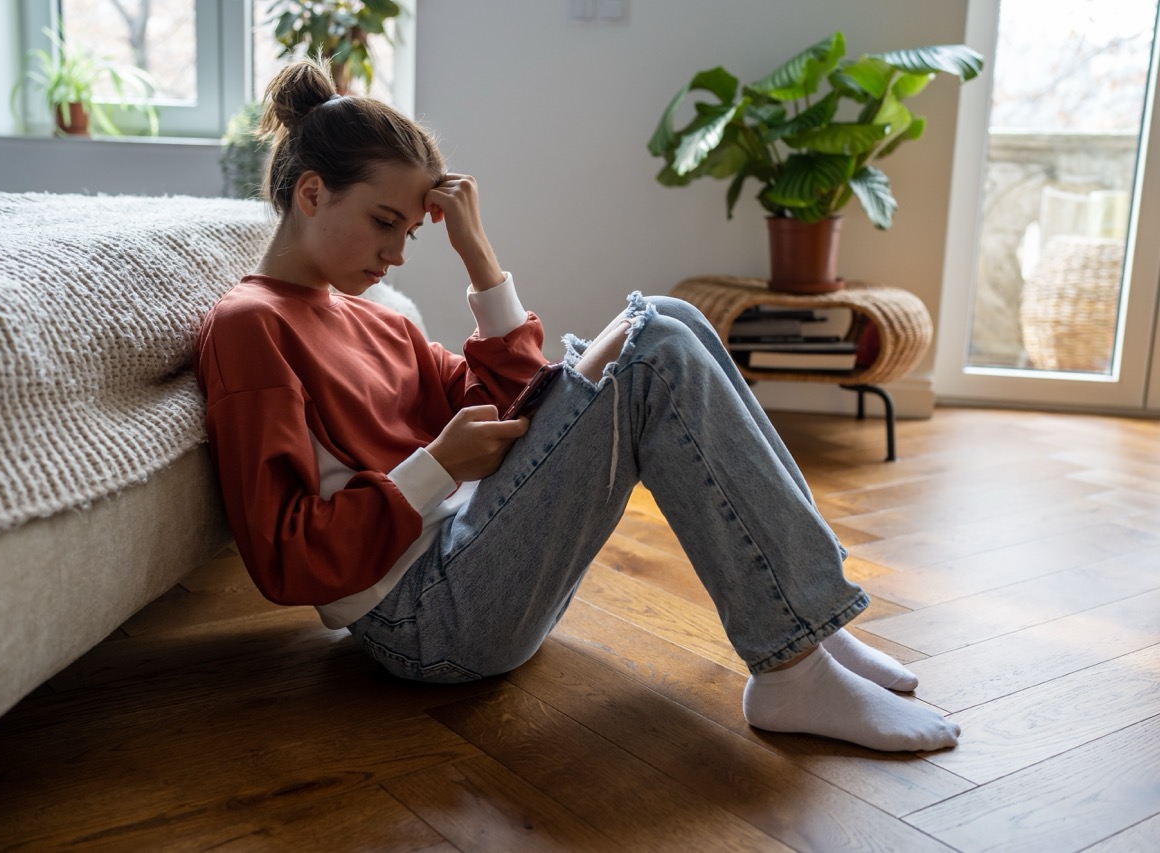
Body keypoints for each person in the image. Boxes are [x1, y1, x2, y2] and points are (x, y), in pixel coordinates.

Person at [194, 57, 960, 753]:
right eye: (384, 223)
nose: (396, 253)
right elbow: (282, 553)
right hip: (425, 623)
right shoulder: (251, 325)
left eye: (409, 233)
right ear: (310, 192)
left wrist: (478, 255)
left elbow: (514, 398)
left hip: (470, 554)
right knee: (652, 345)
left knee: (666, 316)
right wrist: (435, 468)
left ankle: (809, 626)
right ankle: (794, 662)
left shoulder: (375, 316)